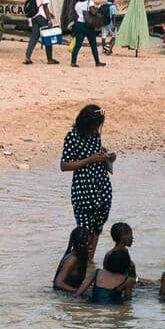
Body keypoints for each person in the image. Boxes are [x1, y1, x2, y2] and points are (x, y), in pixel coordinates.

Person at [60, 103, 115, 236]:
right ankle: (84, 256)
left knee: (97, 227)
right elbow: (64, 165)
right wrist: (89, 160)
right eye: (95, 125)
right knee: (85, 230)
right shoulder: (72, 137)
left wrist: (108, 158)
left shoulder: (95, 135)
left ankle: (90, 258)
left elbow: (98, 156)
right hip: (84, 189)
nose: (97, 128)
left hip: (101, 186)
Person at [88, 223, 135, 305]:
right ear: (122, 236)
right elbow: (107, 276)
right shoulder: (110, 255)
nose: (132, 238)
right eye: (130, 235)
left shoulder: (124, 252)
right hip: (116, 289)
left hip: (121, 286)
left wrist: (137, 279)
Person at [52, 226, 98, 295]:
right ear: (80, 244)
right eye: (88, 244)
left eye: (91, 243)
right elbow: (58, 283)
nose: (91, 246)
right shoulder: (72, 259)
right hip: (63, 295)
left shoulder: (81, 257)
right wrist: (76, 291)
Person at [23, 0, 58, 65]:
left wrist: (50, 14)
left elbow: (40, 6)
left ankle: (27, 57)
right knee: (48, 38)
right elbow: (45, 7)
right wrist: (49, 19)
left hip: (35, 17)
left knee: (34, 37)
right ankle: (49, 59)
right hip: (42, 17)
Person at [69, 0, 106, 67]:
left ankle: (73, 61)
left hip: (79, 24)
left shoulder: (77, 4)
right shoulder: (90, 2)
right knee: (93, 44)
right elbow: (93, 12)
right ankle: (97, 62)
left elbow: (75, 15)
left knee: (78, 44)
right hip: (88, 25)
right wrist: (96, 9)